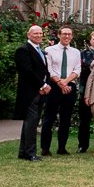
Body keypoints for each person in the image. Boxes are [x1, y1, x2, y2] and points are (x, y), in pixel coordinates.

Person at [37, 25, 79, 157]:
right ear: (59, 35)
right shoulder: (49, 50)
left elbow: (77, 70)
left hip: (69, 87)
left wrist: (66, 82)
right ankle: (45, 148)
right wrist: (60, 83)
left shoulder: (76, 52)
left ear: (72, 36)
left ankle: (62, 148)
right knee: (49, 117)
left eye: (69, 34)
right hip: (54, 87)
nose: (67, 36)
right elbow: (48, 69)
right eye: (64, 34)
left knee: (65, 119)